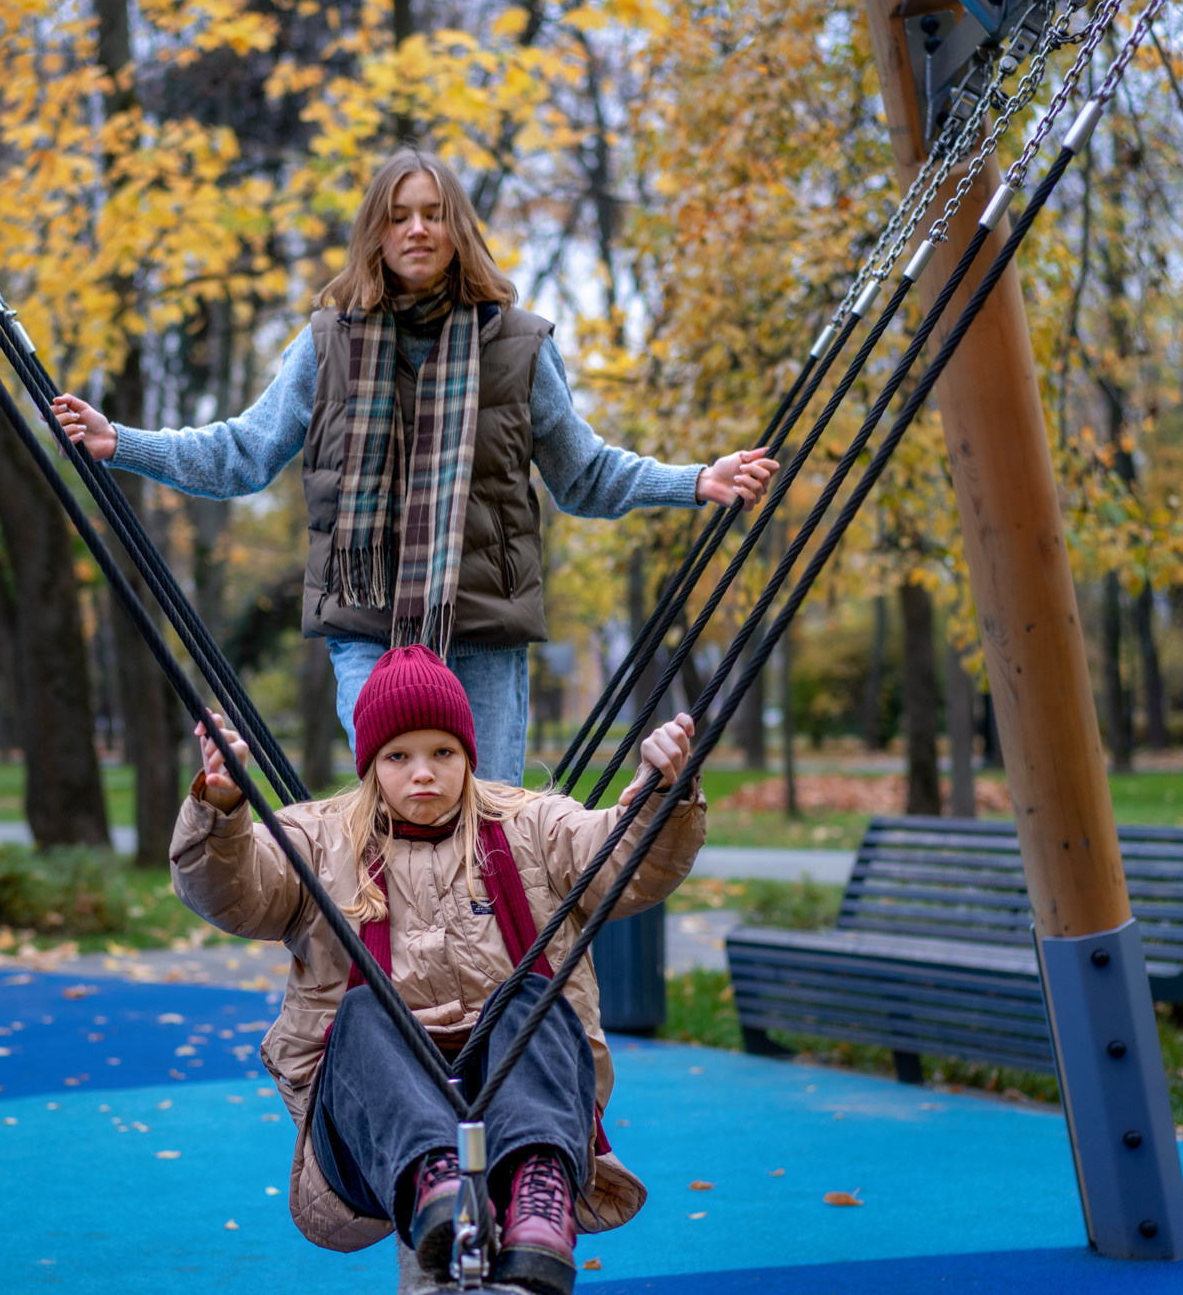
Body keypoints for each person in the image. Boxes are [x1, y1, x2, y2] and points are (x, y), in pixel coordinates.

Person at [55, 148, 774, 784]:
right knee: (399, 816)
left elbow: (583, 475)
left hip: (483, 632)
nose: (418, 229)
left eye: (433, 214)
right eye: (399, 216)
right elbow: (242, 455)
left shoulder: (519, 346)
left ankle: (498, 943)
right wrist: (123, 441)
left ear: (458, 228)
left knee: (488, 827)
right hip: (368, 629)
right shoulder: (327, 345)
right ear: (377, 230)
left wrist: (694, 480)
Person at [171, 644, 706, 1295]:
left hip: (519, 1095)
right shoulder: (316, 839)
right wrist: (222, 808)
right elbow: (236, 890)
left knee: (529, 995)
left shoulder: (530, 823)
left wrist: (662, 794)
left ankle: (539, 1195)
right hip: (370, 1123)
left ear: (468, 755)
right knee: (366, 1009)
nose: (423, 773)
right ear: (370, 763)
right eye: (399, 756)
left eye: (442, 753)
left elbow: (621, 857)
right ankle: (438, 1184)